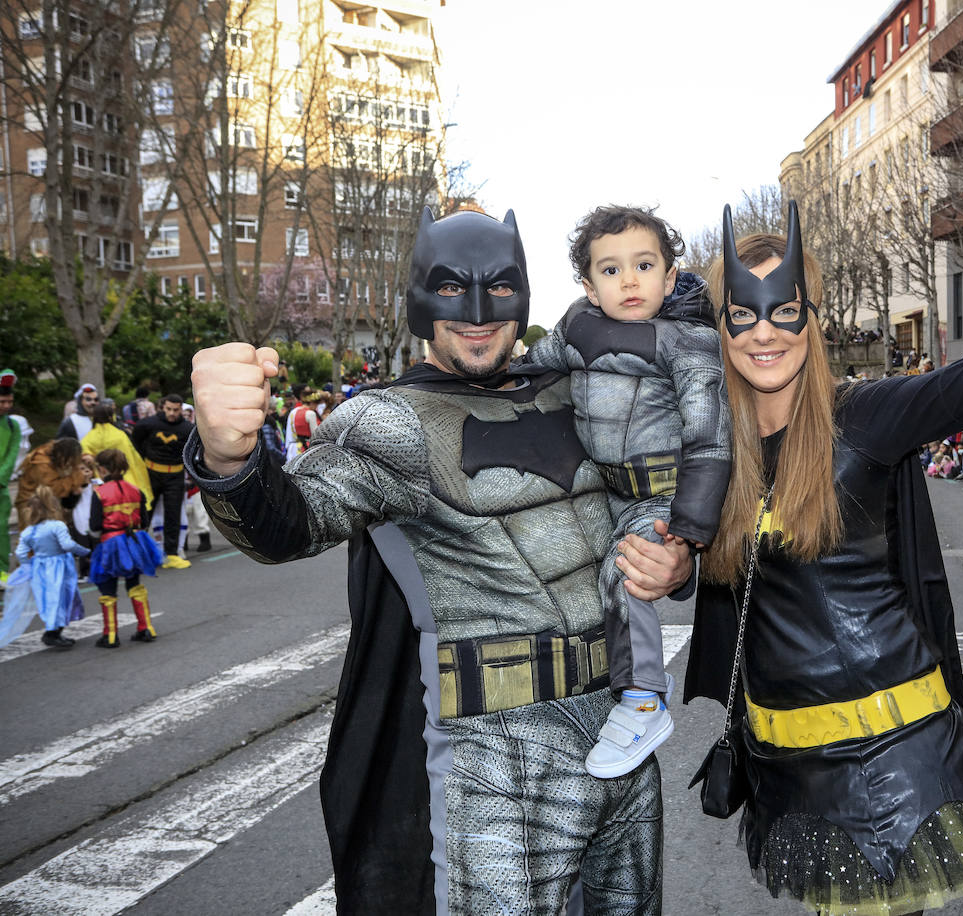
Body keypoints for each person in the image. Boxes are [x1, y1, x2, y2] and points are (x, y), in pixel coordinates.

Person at [186, 206, 692, 913]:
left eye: (497, 288)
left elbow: (651, 500)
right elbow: (289, 525)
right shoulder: (392, 422)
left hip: (622, 726)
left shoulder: (577, 387)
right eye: (451, 290)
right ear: (420, 295)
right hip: (498, 748)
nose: (478, 313)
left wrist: (675, 562)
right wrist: (229, 457)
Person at [685, 161, 963, 914]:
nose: (764, 331)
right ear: (721, 325)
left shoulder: (866, 415)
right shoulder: (708, 445)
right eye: (743, 313)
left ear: (814, 316)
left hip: (890, 747)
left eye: (784, 310)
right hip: (783, 754)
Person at [520, 204, 730, 779]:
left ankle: (643, 699)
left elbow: (710, 438)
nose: (629, 280)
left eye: (643, 264)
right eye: (610, 270)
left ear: (669, 273)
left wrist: (687, 534)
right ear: (588, 285)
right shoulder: (574, 329)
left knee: (626, 570)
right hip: (599, 491)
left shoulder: (690, 344)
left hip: (662, 494)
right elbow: (525, 377)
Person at [87, 449, 162, 647]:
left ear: (102, 469)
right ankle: (146, 628)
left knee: (108, 585)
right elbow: (144, 520)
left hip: (111, 543)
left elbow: (95, 525)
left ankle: (110, 634)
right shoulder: (135, 490)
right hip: (134, 542)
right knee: (134, 583)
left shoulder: (99, 492)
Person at [0, 485, 89, 648]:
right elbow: (67, 545)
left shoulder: (28, 531)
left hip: (40, 567)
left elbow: (21, 552)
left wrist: (28, 567)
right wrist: (85, 551)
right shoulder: (57, 526)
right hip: (59, 566)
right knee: (62, 598)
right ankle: (53, 632)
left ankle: (53, 630)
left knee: (49, 599)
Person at [132, 395, 194, 569]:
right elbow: (135, 443)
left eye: (176, 410)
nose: (172, 413)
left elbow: (192, 451)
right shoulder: (148, 424)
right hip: (150, 474)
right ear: (162, 407)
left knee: (173, 514)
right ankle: (137, 554)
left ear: (181, 409)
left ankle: (172, 554)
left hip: (175, 475)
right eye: (169, 409)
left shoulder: (187, 428)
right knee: (145, 513)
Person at [0, 370, 33, 587]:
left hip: (1, 485)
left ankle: (2, 570)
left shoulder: (12, 426)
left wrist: (1, 478)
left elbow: (12, 456)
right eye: (2, 401)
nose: (6, 406)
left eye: (9, 401)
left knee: (1, 529)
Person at [81, 403, 151, 505]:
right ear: (111, 417)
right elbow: (132, 460)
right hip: (123, 481)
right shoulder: (120, 436)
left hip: (99, 483)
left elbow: (84, 456)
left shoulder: (88, 438)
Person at [15, 438, 85, 527]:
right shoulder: (41, 463)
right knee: (31, 534)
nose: (70, 465)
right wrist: (77, 479)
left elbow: (76, 468)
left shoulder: (56, 455)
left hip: (48, 502)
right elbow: (54, 489)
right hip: (31, 503)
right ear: (63, 455)